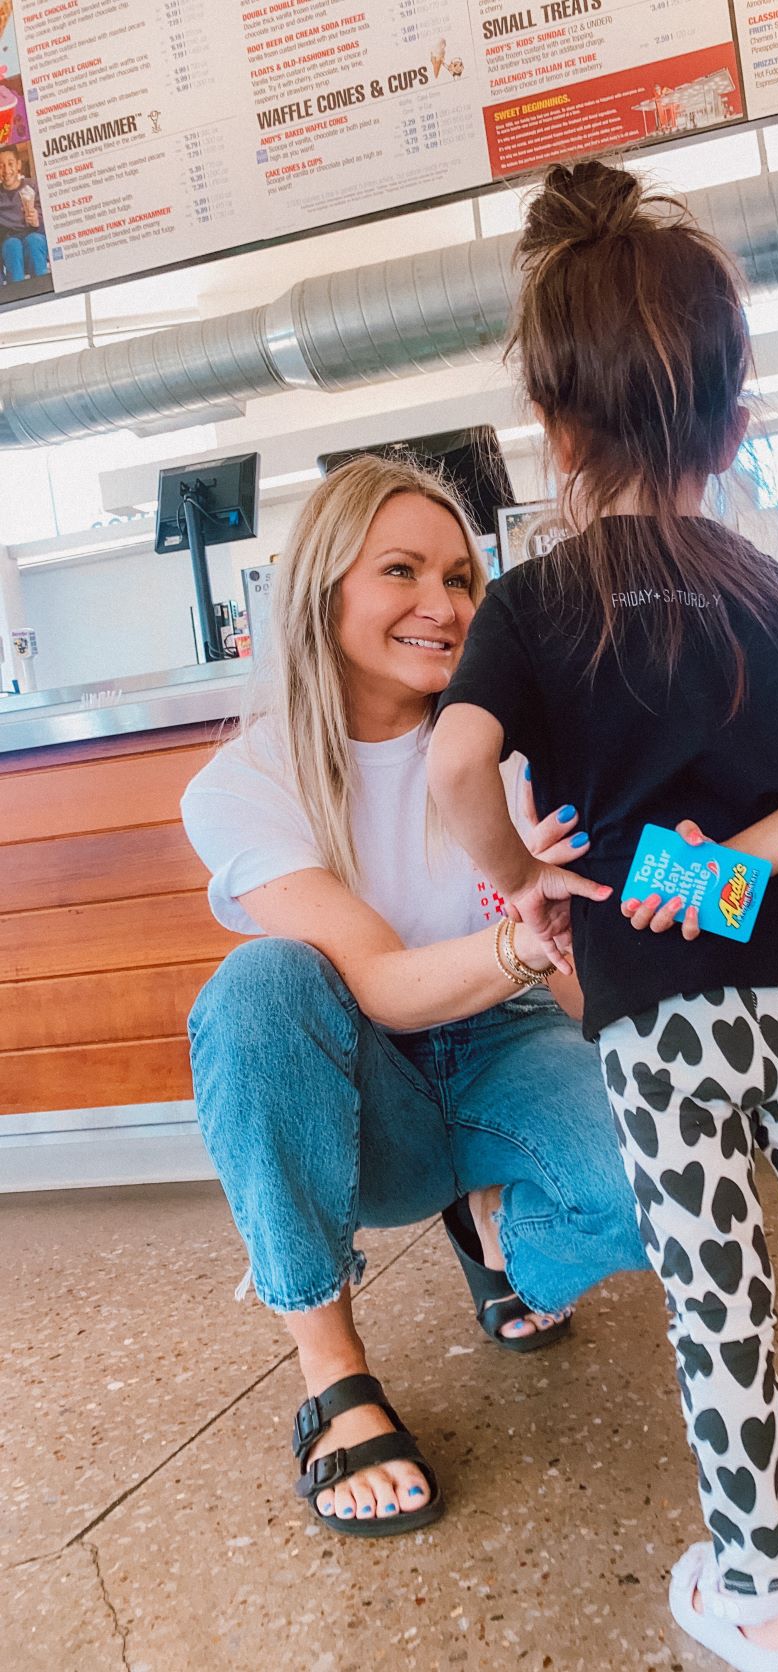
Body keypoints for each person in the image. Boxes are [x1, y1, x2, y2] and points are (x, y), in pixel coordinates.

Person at [429, 161, 778, 1672]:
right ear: (731, 426)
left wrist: (527, 877)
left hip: (657, 1019)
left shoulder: (536, 602)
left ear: (552, 425)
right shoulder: (773, 589)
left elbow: (457, 764)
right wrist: (749, 864)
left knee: (716, 1292)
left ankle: (758, 1589)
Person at [181, 453, 646, 1540]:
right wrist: (522, 935)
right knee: (260, 982)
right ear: (322, 588)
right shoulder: (242, 784)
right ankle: (332, 1370)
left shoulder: (511, 755)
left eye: (461, 578)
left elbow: (577, 985)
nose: (442, 605)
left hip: (507, 1039)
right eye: (401, 570)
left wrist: (607, 963)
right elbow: (382, 984)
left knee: (650, 1186)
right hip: (362, 1082)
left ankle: (496, 1235)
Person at [0, 144, 47, 283]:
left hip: (35, 236)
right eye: (1, 166)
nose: (6, 170)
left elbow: (51, 221)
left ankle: (41, 289)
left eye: (10, 164)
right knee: (12, 246)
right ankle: (18, 293)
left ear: (19, 165)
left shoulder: (32, 186)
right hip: (9, 241)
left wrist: (37, 220)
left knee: (34, 241)